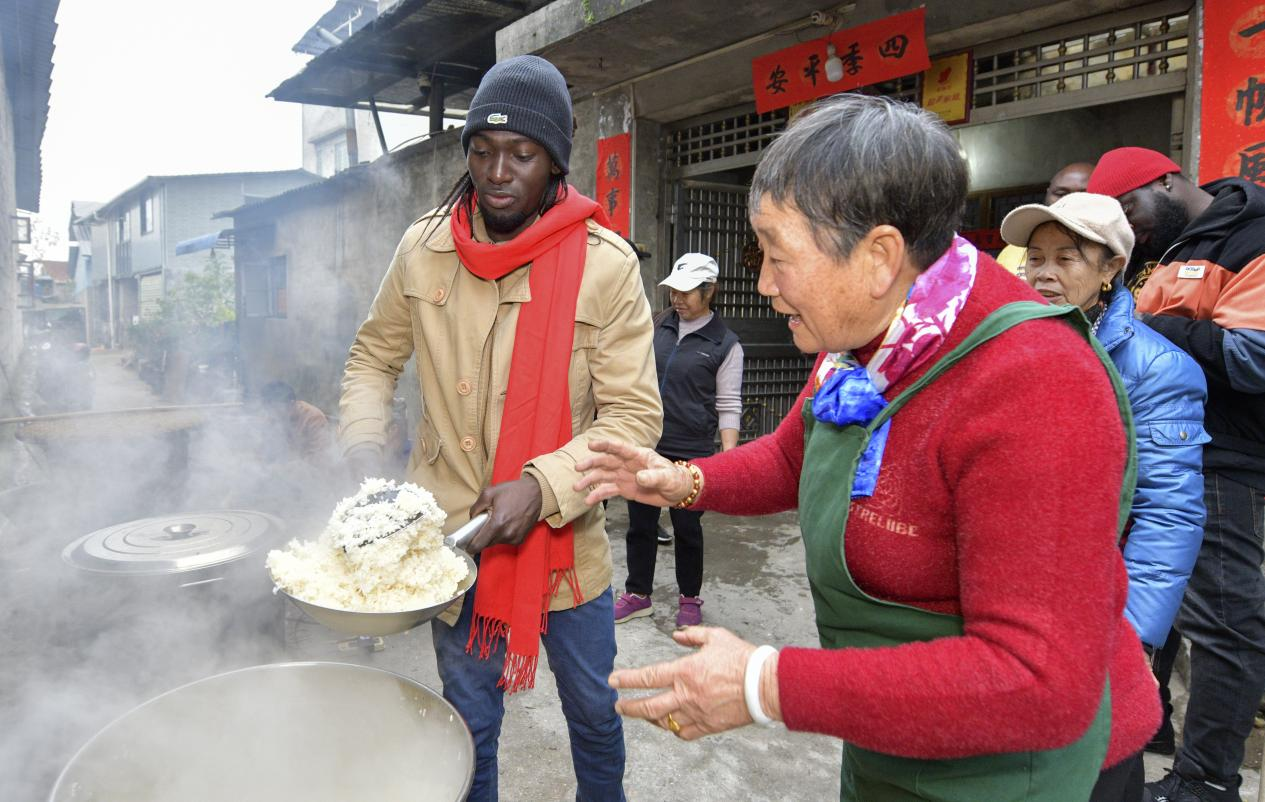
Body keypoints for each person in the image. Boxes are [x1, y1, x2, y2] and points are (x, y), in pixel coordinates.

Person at [574, 94, 1160, 802]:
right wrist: (678, 481)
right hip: (903, 736)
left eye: (779, 257)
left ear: (879, 255)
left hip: (1030, 775)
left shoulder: (1037, 383)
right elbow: (794, 458)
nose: (763, 286)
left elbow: (1037, 684)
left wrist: (764, 684)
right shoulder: (865, 343)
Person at [338, 55, 661, 802]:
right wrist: (362, 444)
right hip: (450, 543)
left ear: (554, 162)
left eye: (521, 153)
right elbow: (372, 357)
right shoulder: (424, 248)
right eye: (481, 149)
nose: (497, 170)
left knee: (593, 713)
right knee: (467, 723)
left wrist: (542, 486)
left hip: (567, 549)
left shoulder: (604, 265)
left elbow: (634, 416)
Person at [1000, 193, 1208, 773]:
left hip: (1095, 603)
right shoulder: (1005, 343)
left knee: (1093, 760)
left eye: (1067, 259)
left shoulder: (1157, 370)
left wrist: (1133, 637)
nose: (1043, 273)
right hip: (1010, 592)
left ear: (1111, 268)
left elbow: (1168, 513)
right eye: (1034, 257)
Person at [1088, 147, 1265, 802]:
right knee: (1149, 607)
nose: (1126, 231)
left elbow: (1253, 357)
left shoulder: (1251, 235)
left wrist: (1149, 327)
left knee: (1221, 624)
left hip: (1220, 461)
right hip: (1158, 455)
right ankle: (1151, 733)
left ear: (1165, 181)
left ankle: (1207, 782)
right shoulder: (1165, 248)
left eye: (1127, 210)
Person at [614, 252, 743, 629]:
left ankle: (689, 598)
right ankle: (638, 594)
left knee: (687, 529)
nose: (678, 299)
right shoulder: (657, 325)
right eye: (674, 290)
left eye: (687, 292)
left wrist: (730, 459)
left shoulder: (725, 344)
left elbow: (729, 404)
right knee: (640, 524)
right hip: (648, 441)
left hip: (692, 451)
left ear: (709, 291)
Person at [995, 161, 1095, 276]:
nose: (1069, 201)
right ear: (1047, 194)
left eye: (1083, 195)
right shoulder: (1012, 252)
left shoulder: (1110, 251)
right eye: (1061, 193)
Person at [258, 380, 333, 466]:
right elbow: (263, 450)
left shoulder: (313, 418)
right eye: (269, 408)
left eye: (276, 408)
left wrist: (292, 466)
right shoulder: (271, 418)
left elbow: (321, 455)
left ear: (291, 404)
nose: (272, 413)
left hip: (309, 473)